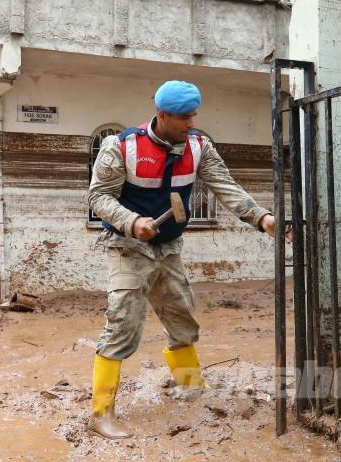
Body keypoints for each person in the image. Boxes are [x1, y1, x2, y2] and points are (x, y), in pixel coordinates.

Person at [86, 80, 279, 439]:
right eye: (184, 118)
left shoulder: (199, 147)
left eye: (193, 116)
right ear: (162, 115)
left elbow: (225, 186)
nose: (191, 123)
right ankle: (101, 413)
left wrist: (261, 218)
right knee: (123, 323)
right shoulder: (121, 146)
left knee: (181, 317)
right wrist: (132, 222)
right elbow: (98, 197)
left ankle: (190, 386)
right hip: (127, 247)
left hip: (169, 247)